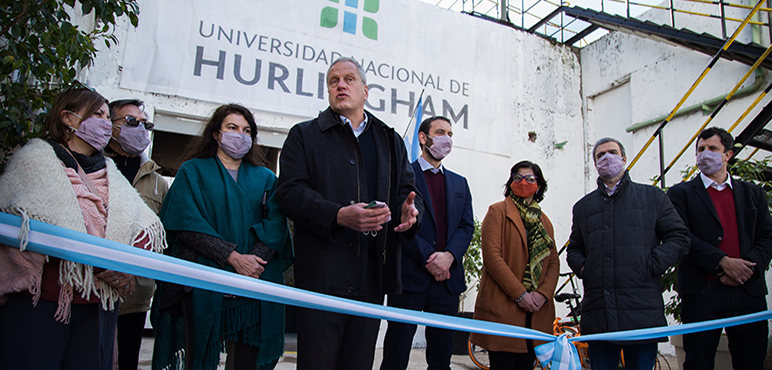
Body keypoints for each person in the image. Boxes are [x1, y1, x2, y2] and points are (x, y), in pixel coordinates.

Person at [0, 88, 166, 369]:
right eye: (98, 115)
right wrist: (101, 263)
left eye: (105, 115)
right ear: (68, 118)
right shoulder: (34, 163)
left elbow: (140, 227)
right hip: (41, 303)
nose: (105, 123)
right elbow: (37, 224)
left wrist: (126, 267)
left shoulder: (111, 174)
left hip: (97, 307)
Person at [276, 57, 422, 370]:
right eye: (333, 81)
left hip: (371, 280)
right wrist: (338, 215)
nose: (340, 85)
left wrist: (410, 213)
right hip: (322, 278)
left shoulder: (390, 139)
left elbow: (406, 192)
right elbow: (289, 193)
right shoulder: (304, 136)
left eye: (349, 79)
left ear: (365, 91)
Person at [151, 104, 292, 370]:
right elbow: (185, 222)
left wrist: (251, 264)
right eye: (232, 128)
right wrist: (232, 257)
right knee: (199, 357)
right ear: (216, 134)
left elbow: (276, 226)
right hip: (203, 285)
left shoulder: (265, 178)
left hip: (253, 288)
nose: (240, 135)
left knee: (247, 363)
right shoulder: (192, 171)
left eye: (247, 130)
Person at [566, 137, 690, 370]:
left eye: (612, 152)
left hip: (641, 311)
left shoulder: (653, 197)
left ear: (623, 158)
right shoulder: (583, 207)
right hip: (599, 313)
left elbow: (679, 238)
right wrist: (586, 268)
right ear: (595, 164)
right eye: (600, 155)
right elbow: (574, 249)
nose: (607, 158)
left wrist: (650, 264)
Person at [667, 127, 772, 370]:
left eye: (712, 149)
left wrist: (747, 269)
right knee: (698, 362)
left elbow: (766, 237)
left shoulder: (753, 193)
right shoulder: (680, 194)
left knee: (751, 362)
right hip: (702, 293)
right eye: (700, 150)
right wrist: (723, 262)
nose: (705, 154)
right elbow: (682, 237)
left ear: (728, 155)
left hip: (749, 292)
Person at [380, 116, 474, 370]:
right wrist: (429, 257)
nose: (447, 139)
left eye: (450, 134)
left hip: (447, 282)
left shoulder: (459, 183)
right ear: (423, 138)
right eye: (440, 132)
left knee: (442, 357)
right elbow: (396, 224)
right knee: (396, 353)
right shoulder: (402, 176)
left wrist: (449, 257)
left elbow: (467, 226)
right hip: (410, 279)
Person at [470, 161, 560, 369]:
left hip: (535, 314)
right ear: (510, 182)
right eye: (518, 178)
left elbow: (553, 261)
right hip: (504, 310)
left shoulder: (544, 222)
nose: (523, 183)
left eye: (530, 179)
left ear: (539, 185)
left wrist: (542, 294)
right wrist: (520, 294)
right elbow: (492, 258)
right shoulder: (497, 211)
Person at [106, 99, 169, 370]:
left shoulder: (156, 181)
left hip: (135, 296)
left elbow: (162, 237)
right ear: (110, 126)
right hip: (91, 289)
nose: (140, 129)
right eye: (131, 122)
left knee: (127, 361)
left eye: (145, 124)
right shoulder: (91, 167)